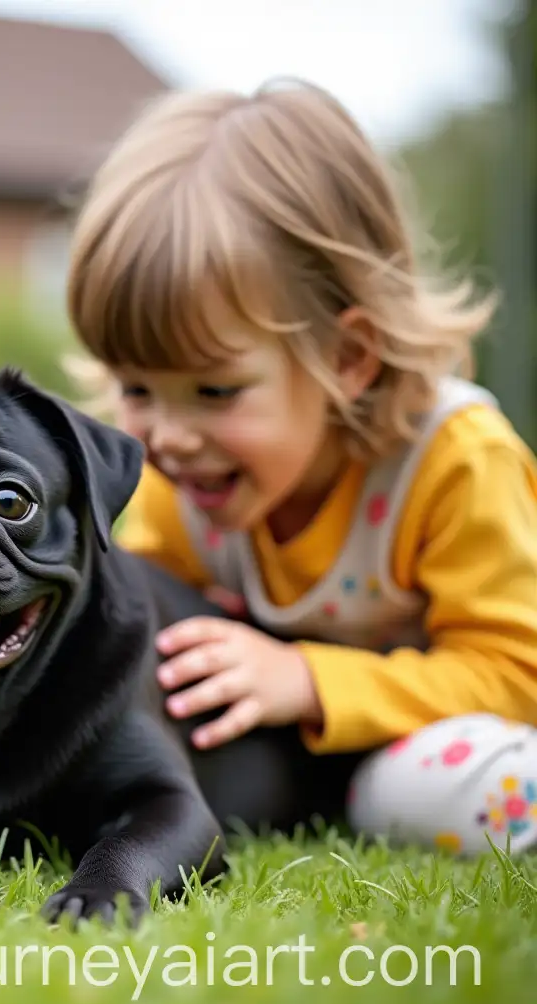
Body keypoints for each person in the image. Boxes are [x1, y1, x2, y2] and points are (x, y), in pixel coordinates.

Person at [63, 78, 537, 856]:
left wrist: (309, 681)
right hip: (292, 762)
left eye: (214, 390)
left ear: (348, 357)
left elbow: (518, 674)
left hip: (431, 736)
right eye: (136, 388)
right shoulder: (172, 484)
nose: (169, 437)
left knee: (455, 789)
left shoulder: (453, 462)